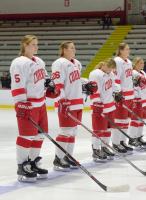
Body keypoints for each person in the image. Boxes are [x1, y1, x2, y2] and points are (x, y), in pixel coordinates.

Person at [10, 35, 60, 182]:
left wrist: (50, 88)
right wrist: (21, 103)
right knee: (26, 136)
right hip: (28, 105)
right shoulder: (19, 62)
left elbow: (45, 80)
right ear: (25, 45)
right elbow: (18, 85)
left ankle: (32, 162)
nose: (36, 47)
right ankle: (22, 165)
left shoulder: (39, 61)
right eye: (33, 44)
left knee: (40, 135)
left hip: (40, 104)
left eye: (37, 44)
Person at [52, 41, 97, 171]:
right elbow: (57, 83)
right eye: (71, 48)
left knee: (72, 132)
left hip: (77, 102)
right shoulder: (59, 63)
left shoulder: (77, 63)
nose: (74, 50)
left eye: (74, 48)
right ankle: (58, 159)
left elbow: (75, 80)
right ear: (64, 50)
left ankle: (68, 157)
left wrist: (86, 83)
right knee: (65, 131)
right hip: (66, 103)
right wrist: (61, 99)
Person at [89, 59, 117, 162]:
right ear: (105, 65)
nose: (110, 71)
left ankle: (105, 147)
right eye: (109, 69)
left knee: (108, 129)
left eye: (112, 70)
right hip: (100, 106)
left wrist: (117, 93)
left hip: (110, 106)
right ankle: (96, 150)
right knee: (98, 129)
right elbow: (94, 91)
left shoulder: (111, 74)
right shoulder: (96, 74)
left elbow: (113, 87)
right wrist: (96, 104)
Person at [112, 43, 134, 155]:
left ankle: (122, 141)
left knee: (126, 120)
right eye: (127, 49)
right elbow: (116, 78)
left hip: (130, 95)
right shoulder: (117, 61)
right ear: (121, 50)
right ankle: (115, 143)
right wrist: (118, 92)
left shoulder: (128, 62)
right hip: (123, 95)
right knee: (119, 120)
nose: (129, 51)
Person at [128, 57, 146, 149]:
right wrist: (136, 97)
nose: (143, 64)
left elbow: (145, 85)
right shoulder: (133, 73)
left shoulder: (143, 73)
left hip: (144, 99)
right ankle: (132, 138)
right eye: (141, 63)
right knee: (136, 119)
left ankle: (139, 137)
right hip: (137, 99)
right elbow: (133, 86)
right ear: (136, 64)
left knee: (143, 119)